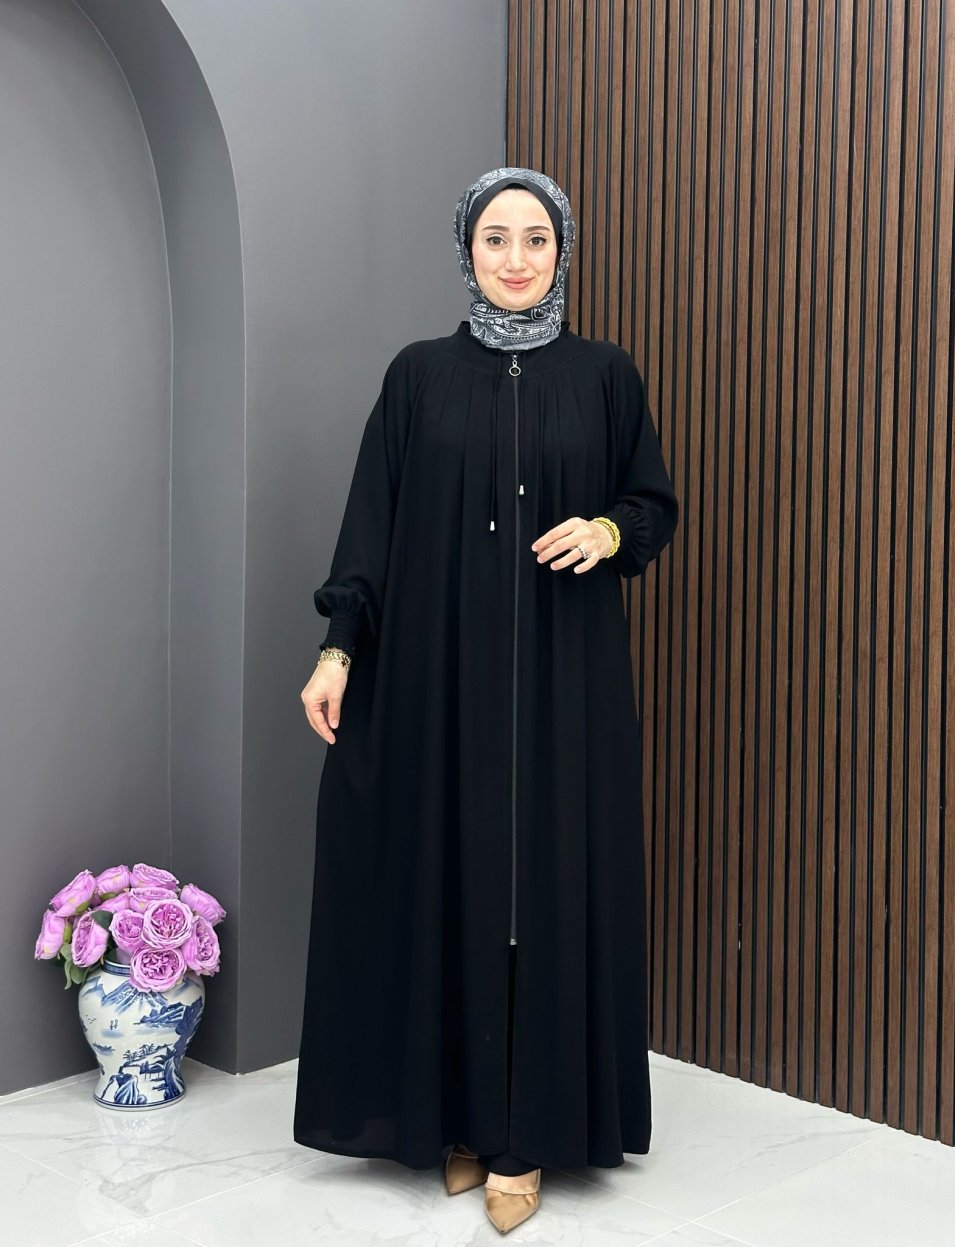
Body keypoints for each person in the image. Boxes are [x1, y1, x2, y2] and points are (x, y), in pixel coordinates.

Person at [292, 166, 679, 1234]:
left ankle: (527, 1135)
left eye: (535, 239)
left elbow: (651, 501)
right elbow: (371, 522)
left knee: (545, 887)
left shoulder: (605, 375)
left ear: (563, 252)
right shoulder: (418, 376)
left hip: (564, 682)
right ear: (466, 250)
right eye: (495, 237)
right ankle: (460, 1117)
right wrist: (338, 647)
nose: (516, 258)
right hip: (438, 676)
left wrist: (608, 530)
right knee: (453, 880)